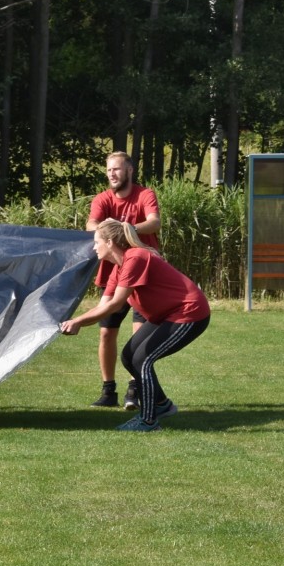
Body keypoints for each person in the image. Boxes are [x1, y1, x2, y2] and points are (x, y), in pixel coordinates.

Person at [59, 219, 210, 431]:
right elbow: (104, 306)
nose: (94, 247)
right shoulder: (118, 268)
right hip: (165, 315)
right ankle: (162, 405)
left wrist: (77, 322)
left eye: (96, 242)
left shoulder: (135, 258)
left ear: (110, 242)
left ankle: (148, 421)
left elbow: (116, 304)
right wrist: (75, 322)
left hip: (189, 313)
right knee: (129, 356)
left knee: (142, 359)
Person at [85, 151, 161, 411]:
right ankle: (108, 391)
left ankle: (134, 389)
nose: (112, 174)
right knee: (106, 333)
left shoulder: (144, 195)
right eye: (108, 170)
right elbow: (91, 224)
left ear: (129, 170)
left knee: (138, 337)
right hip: (112, 276)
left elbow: (154, 222)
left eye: (116, 169)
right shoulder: (102, 199)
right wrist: (107, 228)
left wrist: (123, 229)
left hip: (142, 279)